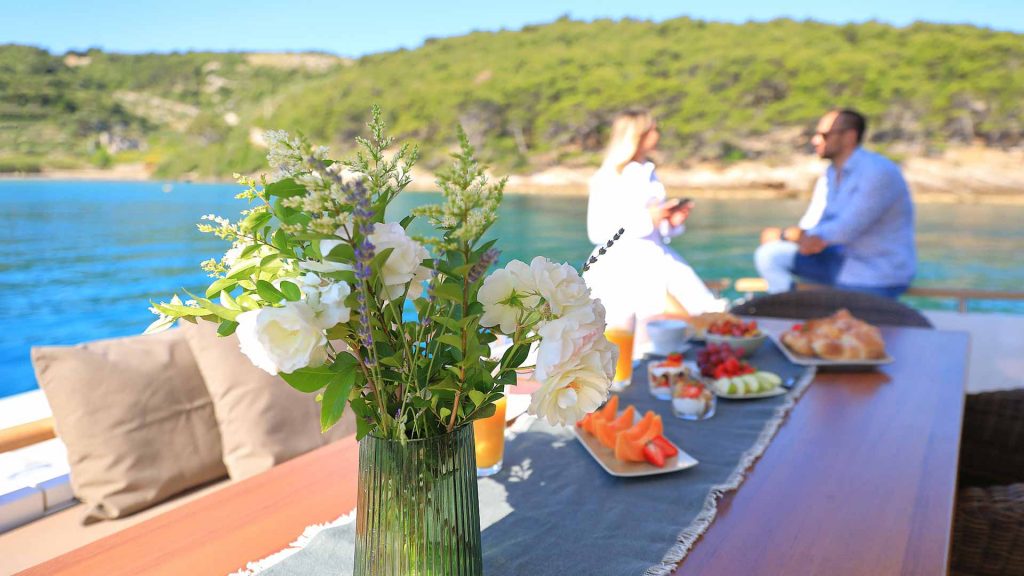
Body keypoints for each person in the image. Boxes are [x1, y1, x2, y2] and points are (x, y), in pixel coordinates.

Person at [584, 110, 724, 330]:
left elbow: (652, 225)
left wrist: (670, 221)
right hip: (623, 263)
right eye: (653, 129)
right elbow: (597, 231)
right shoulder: (609, 176)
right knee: (641, 326)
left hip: (658, 258)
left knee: (694, 317)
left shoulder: (648, 171)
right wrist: (648, 218)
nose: (658, 134)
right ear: (638, 135)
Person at [754, 109, 916, 298]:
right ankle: (785, 307)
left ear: (849, 136)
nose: (815, 141)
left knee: (842, 321)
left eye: (824, 135)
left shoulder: (878, 172)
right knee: (770, 255)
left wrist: (786, 235)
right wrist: (801, 238)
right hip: (836, 261)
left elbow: (845, 230)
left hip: (875, 272)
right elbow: (811, 225)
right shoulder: (830, 174)